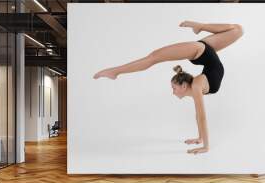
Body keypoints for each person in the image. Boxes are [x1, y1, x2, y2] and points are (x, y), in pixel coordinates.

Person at [93, 21, 244, 154]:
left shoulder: (198, 84)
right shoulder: (197, 85)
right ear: (184, 85)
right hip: (201, 51)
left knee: (238, 29)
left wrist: (200, 139)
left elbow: (199, 117)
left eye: (173, 88)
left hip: (207, 52)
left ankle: (201, 26)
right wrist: (206, 146)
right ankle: (115, 72)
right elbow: (201, 116)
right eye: (174, 88)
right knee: (153, 57)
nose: (173, 92)